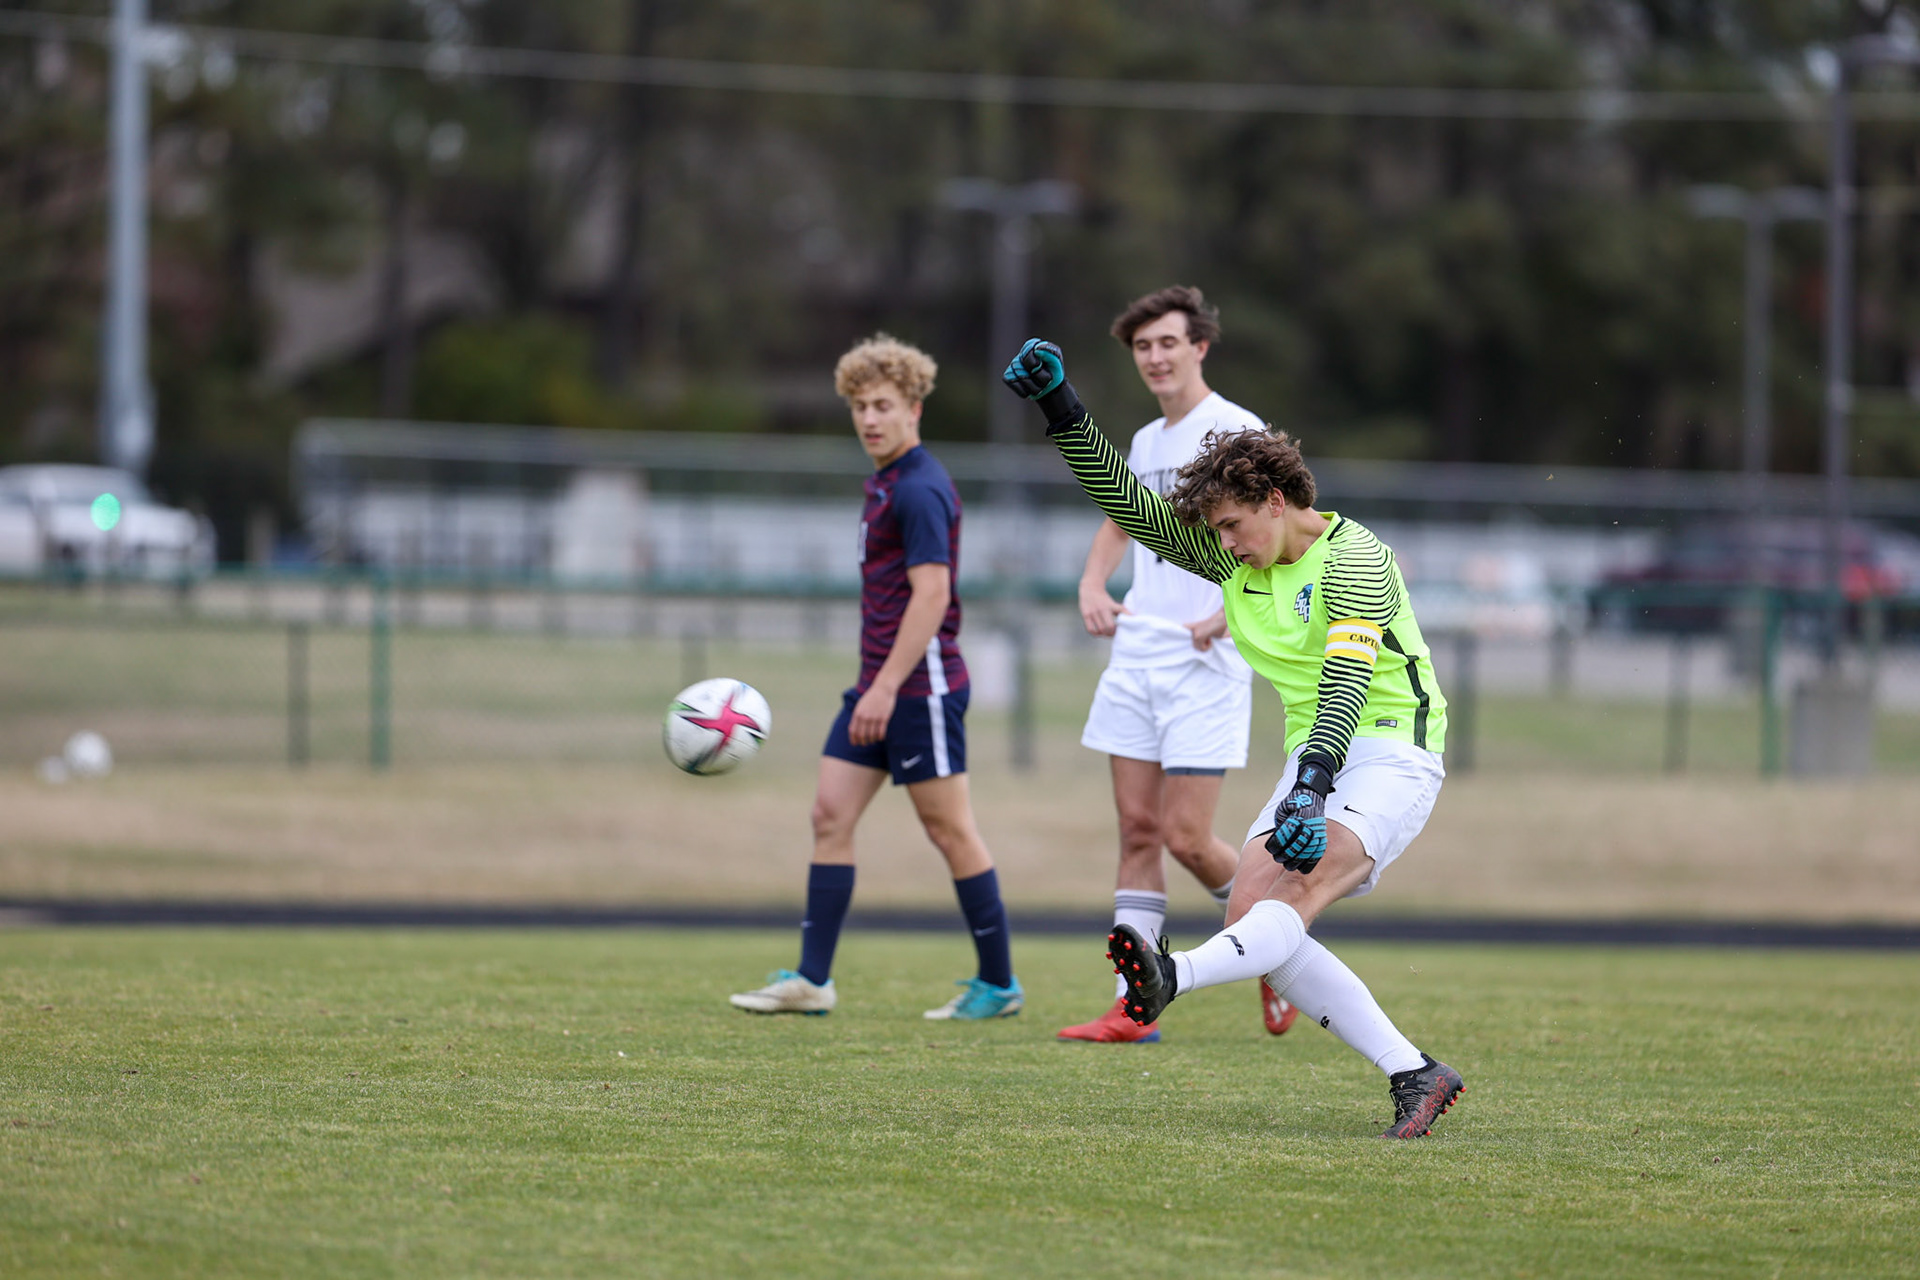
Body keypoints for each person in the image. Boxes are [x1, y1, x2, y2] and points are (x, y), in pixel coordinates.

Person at [1003, 338, 1464, 1138]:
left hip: (1390, 748)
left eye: (1234, 524)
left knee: (1293, 896)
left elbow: (1349, 682)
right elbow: (1132, 510)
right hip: (1317, 757)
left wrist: (1312, 789)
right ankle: (1416, 1074)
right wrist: (1061, 409)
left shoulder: (1356, 557)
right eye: (1215, 530)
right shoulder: (1238, 564)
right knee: (1253, 916)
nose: (1223, 542)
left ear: (1277, 501)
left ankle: (1169, 977)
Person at [731, 335, 1022, 1021]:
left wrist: (887, 688)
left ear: (914, 408)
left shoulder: (920, 487)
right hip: (877, 686)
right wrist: (874, 687)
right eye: (860, 406)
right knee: (829, 814)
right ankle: (812, 980)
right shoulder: (884, 482)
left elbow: (931, 596)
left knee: (950, 832)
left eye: (884, 405)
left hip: (919, 691)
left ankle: (999, 984)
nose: (869, 419)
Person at [1054, 286, 1298, 1045]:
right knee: (1136, 831)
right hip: (1139, 655)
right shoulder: (1146, 438)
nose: (1154, 358)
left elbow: (1283, 539)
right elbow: (1117, 519)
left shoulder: (1236, 429)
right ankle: (1135, 1007)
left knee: (1187, 838)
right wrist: (1094, 583)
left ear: (1200, 346)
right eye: (1142, 348)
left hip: (1207, 660)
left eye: (1167, 343)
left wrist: (1231, 613)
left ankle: (1279, 954)